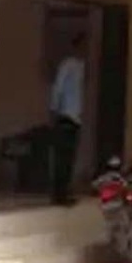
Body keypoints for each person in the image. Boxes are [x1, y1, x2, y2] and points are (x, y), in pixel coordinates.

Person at [48, 33, 87, 206]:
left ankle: (64, 191)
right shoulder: (68, 65)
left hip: (75, 117)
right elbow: (58, 88)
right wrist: (54, 110)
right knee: (62, 158)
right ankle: (59, 194)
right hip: (65, 115)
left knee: (69, 158)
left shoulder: (81, 66)